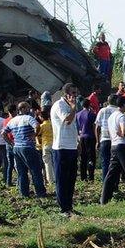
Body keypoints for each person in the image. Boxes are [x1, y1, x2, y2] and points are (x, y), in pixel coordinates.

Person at [3, 102, 47, 198]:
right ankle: (40, 192)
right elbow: (37, 126)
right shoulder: (28, 118)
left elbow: (3, 133)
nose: (29, 109)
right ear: (22, 108)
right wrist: (34, 135)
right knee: (35, 170)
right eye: (28, 108)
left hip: (17, 148)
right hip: (28, 147)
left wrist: (10, 143)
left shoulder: (12, 120)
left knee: (22, 171)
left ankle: (24, 193)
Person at [101, 96, 125, 204]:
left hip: (114, 145)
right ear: (123, 105)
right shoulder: (122, 116)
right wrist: (123, 133)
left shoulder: (112, 116)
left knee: (111, 173)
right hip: (124, 145)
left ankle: (104, 199)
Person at [51, 83, 80, 215]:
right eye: (73, 93)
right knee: (62, 179)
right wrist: (73, 108)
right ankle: (63, 209)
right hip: (61, 147)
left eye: (76, 93)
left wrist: (77, 142)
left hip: (71, 146)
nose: (75, 96)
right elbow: (67, 120)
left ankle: (69, 207)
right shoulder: (59, 105)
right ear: (67, 94)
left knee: (71, 178)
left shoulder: (69, 106)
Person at [95, 95, 120, 179]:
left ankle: (105, 184)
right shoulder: (118, 111)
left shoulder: (102, 110)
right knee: (115, 163)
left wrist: (97, 141)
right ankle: (115, 184)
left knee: (105, 162)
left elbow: (97, 127)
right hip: (116, 141)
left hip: (104, 139)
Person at [75, 99, 97, 181]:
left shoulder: (77, 114)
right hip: (90, 136)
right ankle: (91, 176)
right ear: (90, 104)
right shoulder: (92, 114)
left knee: (83, 157)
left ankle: (83, 176)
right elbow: (94, 126)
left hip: (81, 137)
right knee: (91, 157)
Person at [37, 109, 55, 186]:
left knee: (47, 164)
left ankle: (50, 180)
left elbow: (37, 135)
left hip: (46, 145)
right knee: (54, 163)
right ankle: (56, 177)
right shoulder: (53, 123)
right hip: (54, 144)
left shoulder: (42, 126)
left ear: (41, 117)